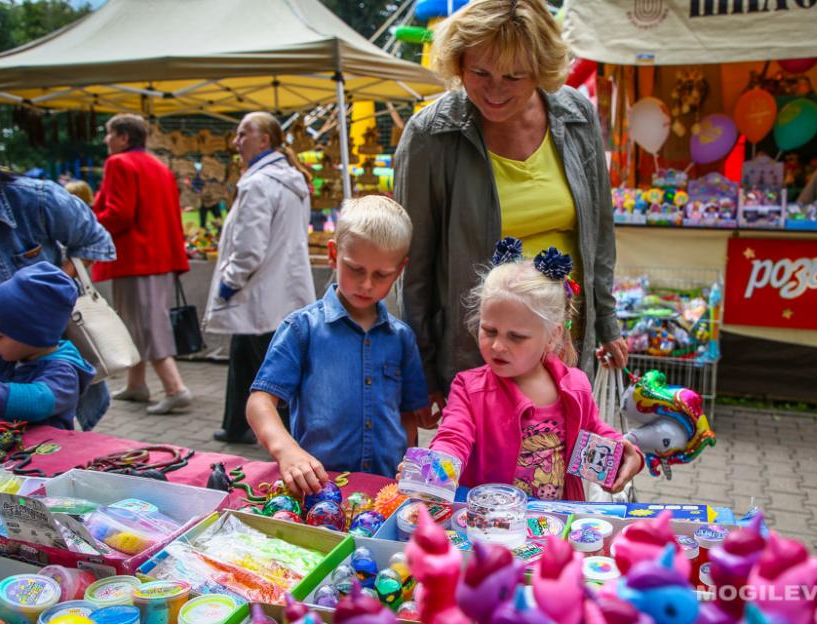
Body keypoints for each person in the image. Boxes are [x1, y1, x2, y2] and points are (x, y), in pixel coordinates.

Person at [394, 0, 628, 417]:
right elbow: (415, 268)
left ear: (540, 70)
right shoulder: (431, 135)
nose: (494, 89)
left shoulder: (576, 115)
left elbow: (600, 232)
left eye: (513, 76)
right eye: (479, 72)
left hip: (564, 343)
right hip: (481, 352)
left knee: (556, 464)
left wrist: (607, 322)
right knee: (488, 468)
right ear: (459, 63)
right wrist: (421, 371)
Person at [428, 238, 643, 501]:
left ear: (552, 336)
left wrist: (626, 456)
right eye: (489, 330)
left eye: (516, 337)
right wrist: (432, 470)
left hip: (557, 526)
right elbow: (453, 436)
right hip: (491, 527)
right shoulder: (470, 389)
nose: (498, 345)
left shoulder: (574, 386)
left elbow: (594, 433)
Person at [247, 196, 430, 495]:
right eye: (355, 269)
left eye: (381, 275)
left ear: (399, 270)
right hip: (318, 487)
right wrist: (287, 451)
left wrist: (409, 469)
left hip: (385, 492)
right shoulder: (301, 329)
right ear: (333, 254)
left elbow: (407, 416)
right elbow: (260, 402)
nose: (367, 284)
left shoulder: (402, 338)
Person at [204, 112, 317, 444]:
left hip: (259, 291)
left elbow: (249, 249)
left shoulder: (258, 184)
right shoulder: (291, 180)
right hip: (282, 289)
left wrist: (228, 284)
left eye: (243, 134)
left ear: (264, 140)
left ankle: (285, 436)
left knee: (270, 372)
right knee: (246, 356)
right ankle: (237, 424)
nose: (236, 141)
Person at [0, 168, 115, 430]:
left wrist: (44, 299)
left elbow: (38, 402)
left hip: (43, 460)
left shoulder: (61, 368)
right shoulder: (17, 352)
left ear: (32, 334)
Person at [91, 114, 193, 415]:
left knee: (147, 325)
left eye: (109, 134)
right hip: (160, 257)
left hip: (137, 258)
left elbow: (119, 213)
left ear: (124, 138)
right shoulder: (158, 165)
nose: (106, 140)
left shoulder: (119, 163)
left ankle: (175, 388)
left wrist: (87, 224)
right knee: (138, 322)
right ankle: (137, 385)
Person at [0, 262, 96, 428]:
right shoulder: (11, 353)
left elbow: (38, 402)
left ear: (31, 336)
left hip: (46, 451)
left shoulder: (63, 372)